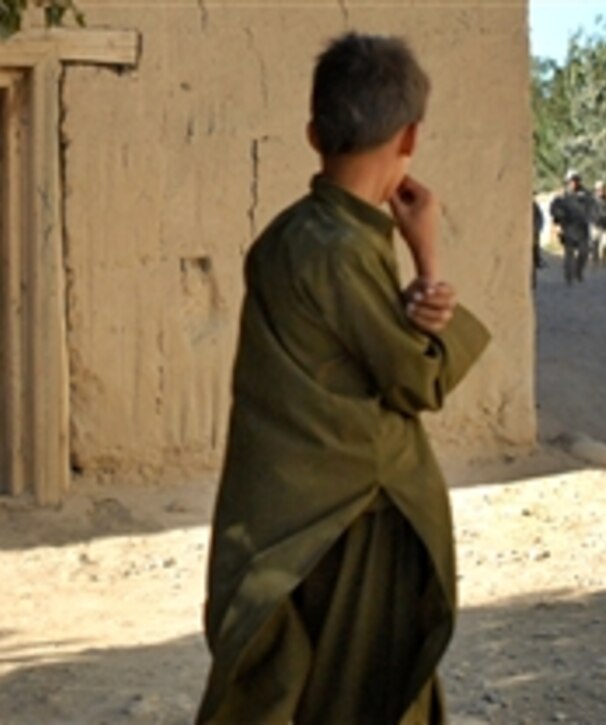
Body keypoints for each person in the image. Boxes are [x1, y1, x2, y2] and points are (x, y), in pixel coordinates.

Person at [198, 33, 490, 724]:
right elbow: (419, 381)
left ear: (312, 132)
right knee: (370, 694)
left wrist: (415, 292)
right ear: (410, 134)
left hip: (287, 517)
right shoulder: (341, 252)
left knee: (293, 695)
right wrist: (428, 253)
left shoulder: (288, 238)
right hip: (353, 519)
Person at [549, 169, 595, 285]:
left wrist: (591, 218)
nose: (573, 183)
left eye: (575, 180)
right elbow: (554, 209)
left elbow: (593, 208)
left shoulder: (586, 195)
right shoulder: (562, 196)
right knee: (569, 255)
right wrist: (558, 219)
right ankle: (569, 277)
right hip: (568, 229)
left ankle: (578, 272)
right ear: (567, 182)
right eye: (571, 181)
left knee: (584, 253)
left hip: (582, 230)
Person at [590, 180, 606, 264]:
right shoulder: (592, 200)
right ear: (596, 190)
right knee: (595, 240)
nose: (601, 191)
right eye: (599, 189)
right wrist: (597, 217)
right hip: (596, 224)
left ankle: (605, 258)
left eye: (603, 189)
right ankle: (594, 257)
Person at [532, 198, 545, 288]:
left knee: (534, 254)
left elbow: (540, 219)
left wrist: (536, 229)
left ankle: (538, 260)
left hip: (533, 233)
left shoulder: (533, 205)